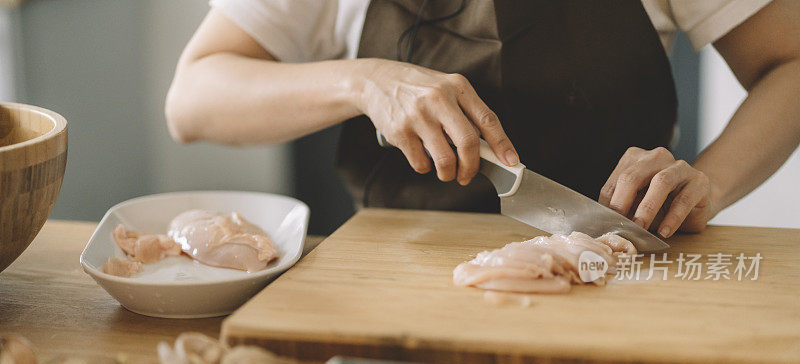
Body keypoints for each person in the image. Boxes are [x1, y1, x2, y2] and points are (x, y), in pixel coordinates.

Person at [166, 0, 800, 239]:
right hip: (397, 287)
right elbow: (193, 99)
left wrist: (710, 182)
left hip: (629, 270)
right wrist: (363, 79)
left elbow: (791, 63)